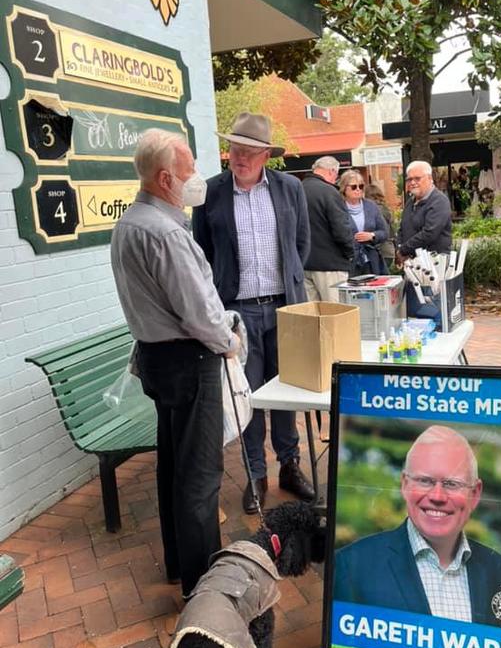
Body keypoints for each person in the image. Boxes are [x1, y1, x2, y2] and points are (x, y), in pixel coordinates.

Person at [111, 129, 240, 599]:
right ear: (166, 178)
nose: (195, 179)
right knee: (200, 474)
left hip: (157, 360)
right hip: (189, 360)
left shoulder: (131, 223)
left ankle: (179, 566)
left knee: (174, 467)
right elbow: (198, 312)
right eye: (188, 171)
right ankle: (204, 587)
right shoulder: (165, 232)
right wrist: (229, 341)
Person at [193, 112, 315, 514]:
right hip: (238, 314)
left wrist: (291, 285)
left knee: (286, 392)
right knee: (246, 396)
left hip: (284, 309)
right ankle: (256, 474)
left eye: (248, 152)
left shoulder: (289, 188)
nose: (238, 158)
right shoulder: (211, 193)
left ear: (265, 155)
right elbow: (203, 252)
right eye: (234, 150)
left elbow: (302, 244)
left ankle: (290, 465)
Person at [334, 426, 501, 631]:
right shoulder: (350, 567)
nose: (437, 497)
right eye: (424, 481)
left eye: (452, 483)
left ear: (475, 493)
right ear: (404, 484)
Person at [397, 160, 452, 319]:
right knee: (414, 312)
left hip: (434, 267)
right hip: (413, 267)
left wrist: (403, 249)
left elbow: (430, 233)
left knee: (434, 313)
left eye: (417, 178)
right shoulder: (410, 202)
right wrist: (399, 247)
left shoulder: (439, 201)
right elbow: (402, 228)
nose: (412, 182)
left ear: (429, 178)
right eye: (409, 179)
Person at [302, 156, 354, 301]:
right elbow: (341, 230)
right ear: (332, 171)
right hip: (331, 265)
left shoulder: (298, 189)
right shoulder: (329, 192)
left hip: (304, 264)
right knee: (336, 315)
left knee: (312, 317)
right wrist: (350, 253)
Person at [339, 169, 388, 276]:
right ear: (344, 188)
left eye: (361, 186)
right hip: (349, 262)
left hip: (371, 261)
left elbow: (384, 232)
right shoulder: (339, 207)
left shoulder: (371, 206)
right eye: (353, 187)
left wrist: (372, 235)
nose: (358, 190)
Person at [364, 183, 396, 271]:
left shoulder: (374, 210)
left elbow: (382, 231)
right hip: (388, 250)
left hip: (381, 251)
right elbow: (392, 231)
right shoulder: (385, 209)